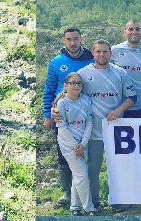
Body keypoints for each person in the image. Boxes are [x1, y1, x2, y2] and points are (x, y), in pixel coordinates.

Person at [74, 40, 136, 210]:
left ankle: (118, 200)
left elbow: (132, 97)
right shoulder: (82, 74)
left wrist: (119, 110)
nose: (101, 55)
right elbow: (70, 94)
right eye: (98, 51)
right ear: (93, 53)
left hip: (115, 131)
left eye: (105, 52)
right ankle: (95, 201)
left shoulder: (120, 73)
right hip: (92, 132)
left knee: (117, 168)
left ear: (111, 53)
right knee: (93, 169)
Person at [43, 28, 95, 208]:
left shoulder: (91, 59)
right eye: (69, 40)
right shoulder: (56, 62)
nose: (73, 43)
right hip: (61, 114)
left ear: (82, 39)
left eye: (76, 39)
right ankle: (67, 192)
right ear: (63, 41)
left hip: (83, 113)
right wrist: (47, 114)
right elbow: (49, 89)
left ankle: (84, 195)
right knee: (64, 153)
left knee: (83, 152)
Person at [53, 72, 96, 216]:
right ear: (66, 85)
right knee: (82, 175)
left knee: (78, 174)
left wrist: (82, 144)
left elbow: (89, 122)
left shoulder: (86, 100)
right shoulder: (62, 103)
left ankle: (75, 207)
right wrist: (75, 146)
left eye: (79, 83)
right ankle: (89, 208)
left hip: (83, 143)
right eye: (73, 83)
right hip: (68, 144)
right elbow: (62, 128)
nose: (76, 86)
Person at [111, 20, 141, 118]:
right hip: (119, 107)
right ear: (125, 32)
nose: (134, 32)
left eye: (137, 29)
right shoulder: (114, 51)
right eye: (130, 29)